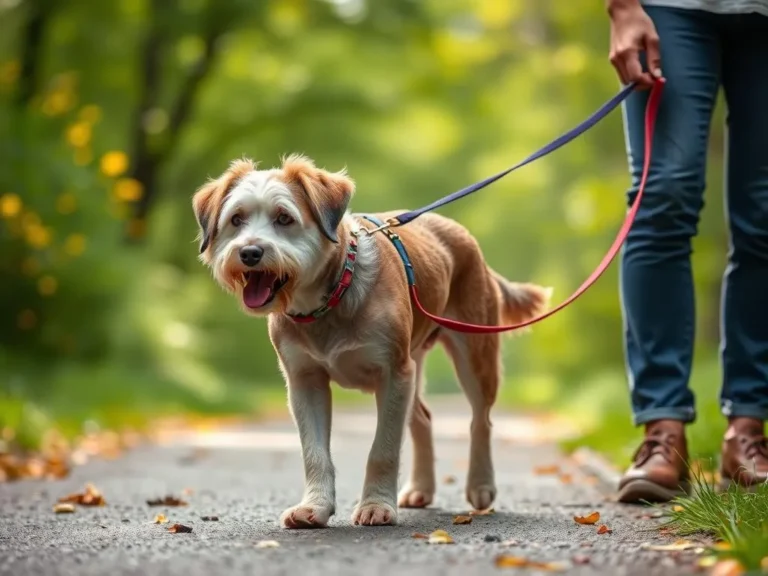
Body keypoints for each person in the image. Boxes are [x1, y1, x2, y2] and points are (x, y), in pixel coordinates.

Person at [606, 0, 768, 503]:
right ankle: (663, 432)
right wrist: (623, 8)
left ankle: (748, 430)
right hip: (669, 9)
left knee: (765, 213)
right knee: (663, 197)